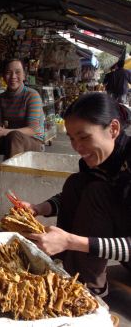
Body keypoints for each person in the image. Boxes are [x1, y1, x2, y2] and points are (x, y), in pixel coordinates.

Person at [21, 93, 131, 297]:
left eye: (84, 137)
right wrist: (38, 208)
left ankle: (90, 286)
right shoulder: (94, 162)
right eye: (72, 139)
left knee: (97, 192)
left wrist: (71, 241)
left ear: (113, 129)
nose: (78, 148)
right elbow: (72, 196)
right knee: (77, 183)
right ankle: (69, 268)